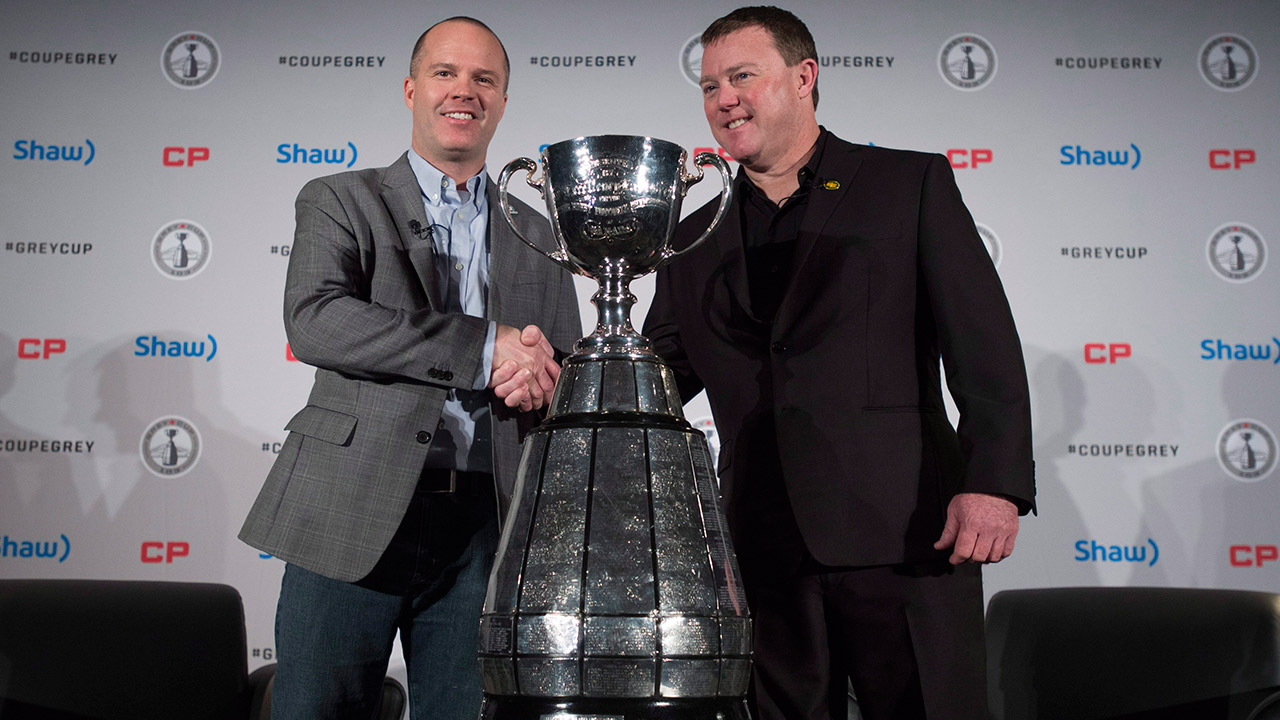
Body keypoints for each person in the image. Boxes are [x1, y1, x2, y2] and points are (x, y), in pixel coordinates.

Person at [643, 7, 1035, 720]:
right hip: (763, 544)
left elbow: (983, 345)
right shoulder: (690, 230)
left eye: (741, 76)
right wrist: (569, 373)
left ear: (803, 77)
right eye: (708, 86)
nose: (723, 98)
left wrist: (995, 484)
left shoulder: (905, 184)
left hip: (906, 529)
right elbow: (660, 375)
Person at [239, 17, 581, 720]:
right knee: (314, 710)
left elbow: (560, 361)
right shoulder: (340, 198)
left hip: (485, 525)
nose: (465, 91)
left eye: (485, 79)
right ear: (411, 89)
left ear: (504, 101)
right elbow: (317, 320)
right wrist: (488, 350)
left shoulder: (540, 231)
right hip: (349, 507)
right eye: (446, 74)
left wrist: (540, 377)